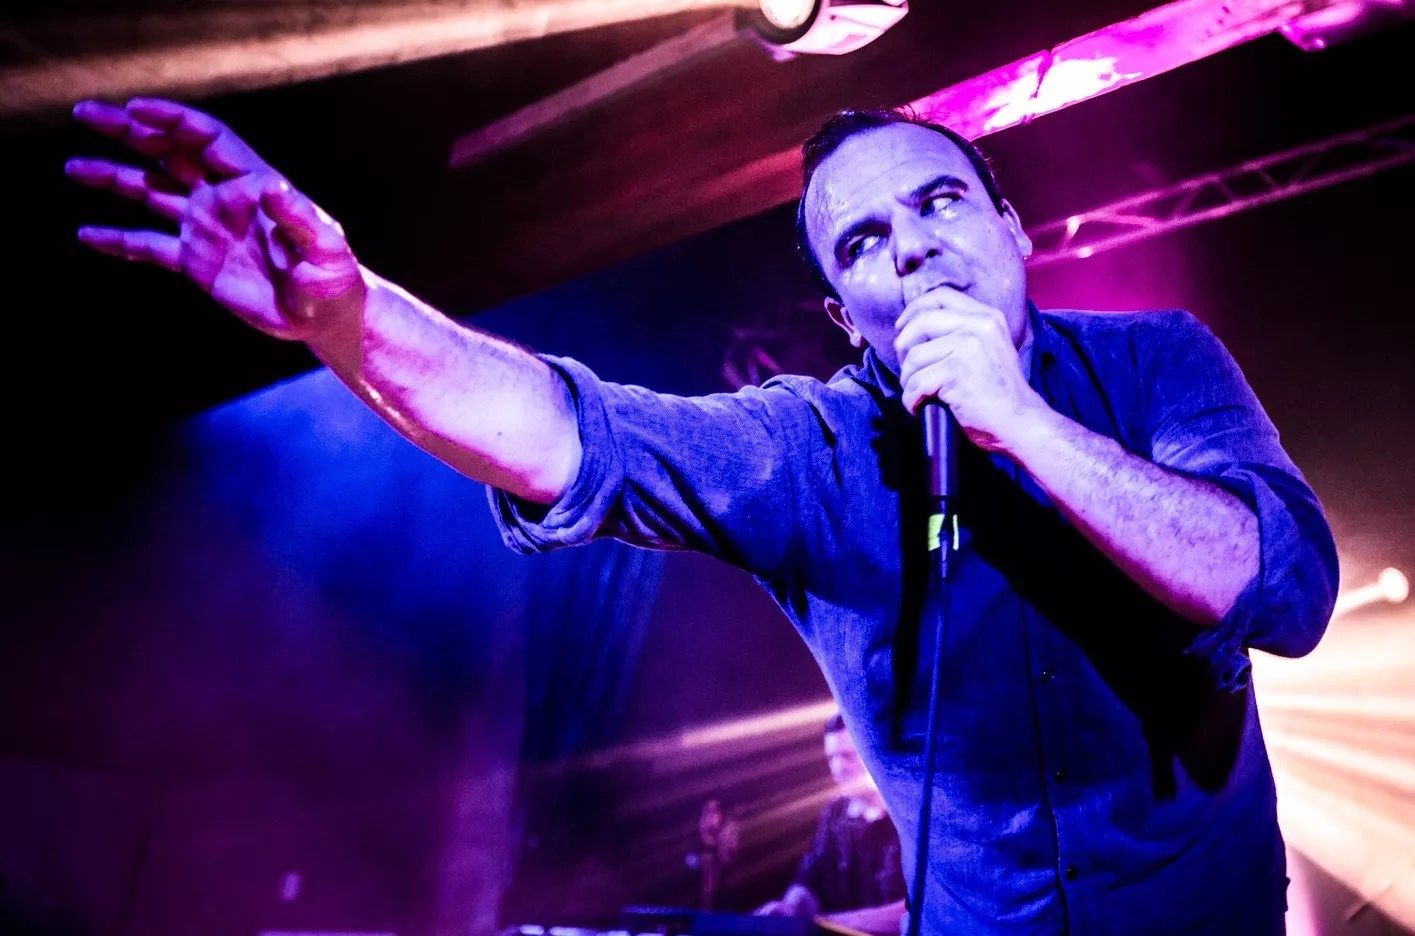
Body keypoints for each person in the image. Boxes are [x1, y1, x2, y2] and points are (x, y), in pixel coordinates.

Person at [68, 98, 1338, 934]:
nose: (910, 247)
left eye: (941, 201)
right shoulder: (819, 450)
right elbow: (570, 432)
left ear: (1011, 228)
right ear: (845, 317)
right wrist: (350, 320)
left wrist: (1023, 423)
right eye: (862, 242)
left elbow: (1283, 591)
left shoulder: (1157, 365)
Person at [756, 714, 906, 934]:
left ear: (873, 755)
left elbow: (917, 910)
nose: (838, 768)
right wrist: (789, 909)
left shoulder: (908, 819)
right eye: (831, 758)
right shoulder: (834, 814)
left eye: (847, 756)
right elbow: (811, 880)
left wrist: (827, 923)